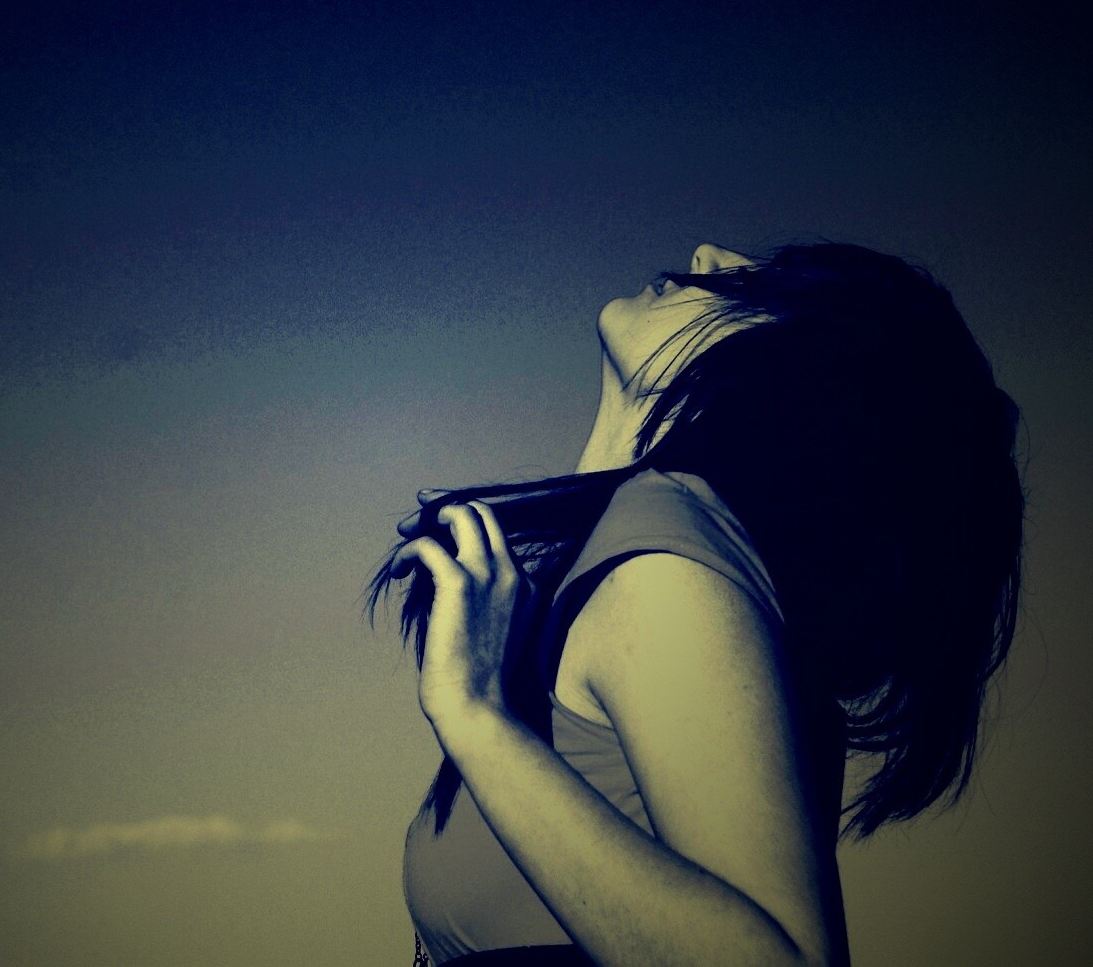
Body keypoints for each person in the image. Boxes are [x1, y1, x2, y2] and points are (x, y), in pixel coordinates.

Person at [366, 242, 1026, 966]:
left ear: (789, 371)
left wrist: (476, 717)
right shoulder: (626, 558)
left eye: (761, 286)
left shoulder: (667, 560)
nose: (709, 255)